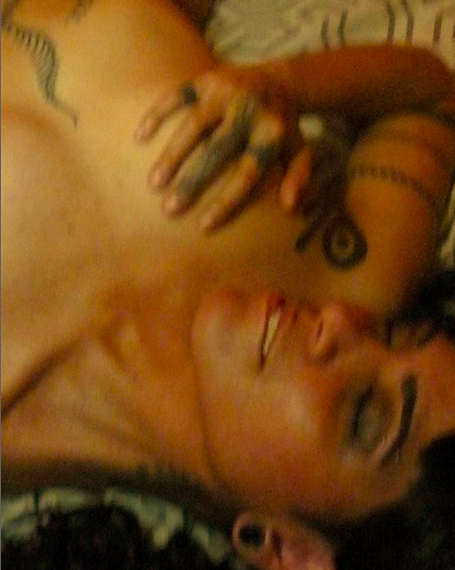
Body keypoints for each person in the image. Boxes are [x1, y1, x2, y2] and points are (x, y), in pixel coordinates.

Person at [2, 0, 455, 568]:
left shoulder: (19, 417)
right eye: (398, 334)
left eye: (364, 414)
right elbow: (432, 94)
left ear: (284, 547)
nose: (340, 323)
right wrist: (287, 83)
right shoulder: (358, 277)